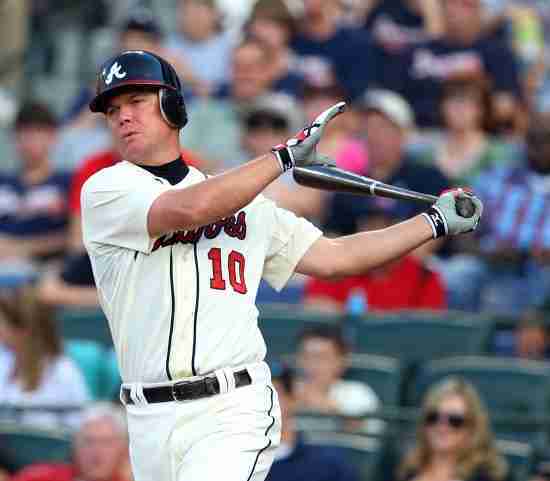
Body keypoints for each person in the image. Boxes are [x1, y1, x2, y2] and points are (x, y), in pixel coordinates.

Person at [81, 49, 482, 481]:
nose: (123, 116)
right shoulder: (106, 190)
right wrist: (283, 157)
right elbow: (190, 208)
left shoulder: (244, 202)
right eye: (113, 109)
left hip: (230, 407)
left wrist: (432, 222)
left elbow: (335, 257)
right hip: (146, 417)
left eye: (137, 101)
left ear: (172, 106)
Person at [304, 200, 447, 312]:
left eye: (386, 226)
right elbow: (315, 312)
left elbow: (428, 331)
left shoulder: (423, 276)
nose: (376, 234)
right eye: (370, 225)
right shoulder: (336, 264)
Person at [0, 102, 71, 284]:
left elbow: (74, 237)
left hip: (45, 270)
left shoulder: (67, 183)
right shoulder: (3, 181)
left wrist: (23, 248)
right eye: (23, 133)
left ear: (53, 137)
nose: (29, 140)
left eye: (37, 132)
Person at [0, 285, 89, 429]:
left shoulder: (63, 371)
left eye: (3, 324)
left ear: (23, 331)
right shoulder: (3, 360)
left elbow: (78, 427)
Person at [396, 377, 511, 481]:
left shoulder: (489, 477)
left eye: (454, 420)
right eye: (433, 417)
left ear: (472, 428)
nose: (441, 426)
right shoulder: (407, 472)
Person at [265, 361, 360, 481]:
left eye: (270, 395)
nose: (258, 405)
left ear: (292, 399)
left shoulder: (329, 465)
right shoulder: (235, 461)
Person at [11, 402, 131, 481]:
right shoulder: (40, 477)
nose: (97, 451)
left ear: (123, 448)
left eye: (106, 443)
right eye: (89, 441)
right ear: (75, 446)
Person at [294, 324, 380, 417]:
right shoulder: (284, 392)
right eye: (306, 357)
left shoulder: (358, 393)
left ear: (341, 361)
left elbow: (369, 427)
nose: (312, 364)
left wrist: (321, 403)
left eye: (321, 358)